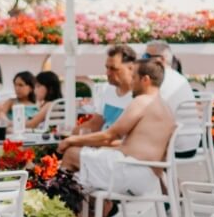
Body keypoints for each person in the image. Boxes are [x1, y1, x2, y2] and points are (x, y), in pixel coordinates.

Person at [59, 58, 179, 201]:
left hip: (131, 172)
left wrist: (71, 140)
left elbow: (111, 135)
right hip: (146, 177)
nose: (131, 82)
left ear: (145, 79)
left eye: (134, 77)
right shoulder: (166, 107)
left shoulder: (143, 101)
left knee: (71, 154)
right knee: (83, 179)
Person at [146, 40, 201, 156]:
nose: (142, 60)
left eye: (147, 56)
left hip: (175, 146)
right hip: (190, 144)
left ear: (161, 59)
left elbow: (153, 114)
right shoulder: (178, 78)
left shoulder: (161, 80)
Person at [83, 44, 140, 133]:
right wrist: (69, 135)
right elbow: (94, 124)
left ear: (131, 68)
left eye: (113, 68)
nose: (108, 73)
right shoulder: (108, 90)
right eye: (107, 68)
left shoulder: (139, 96)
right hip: (102, 143)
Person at [0, 71, 37, 140]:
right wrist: (9, 122)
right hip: (13, 137)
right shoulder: (12, 102)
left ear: (31, 88)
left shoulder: (37, 105)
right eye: (15, 85)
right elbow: (0, 114)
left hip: (32, 138)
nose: (17, 88)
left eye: (21, 85)